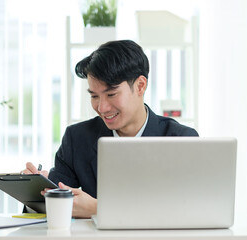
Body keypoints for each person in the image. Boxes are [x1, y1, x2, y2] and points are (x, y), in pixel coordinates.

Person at [23, 40, 198, 218]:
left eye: (111, 94)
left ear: (140, 86)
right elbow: (48, 209)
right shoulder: (77, 138)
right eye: (94, 96)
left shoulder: (180, 140)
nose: (102, 107)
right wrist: (35, 190)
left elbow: (188, 211)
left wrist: (99, 209)